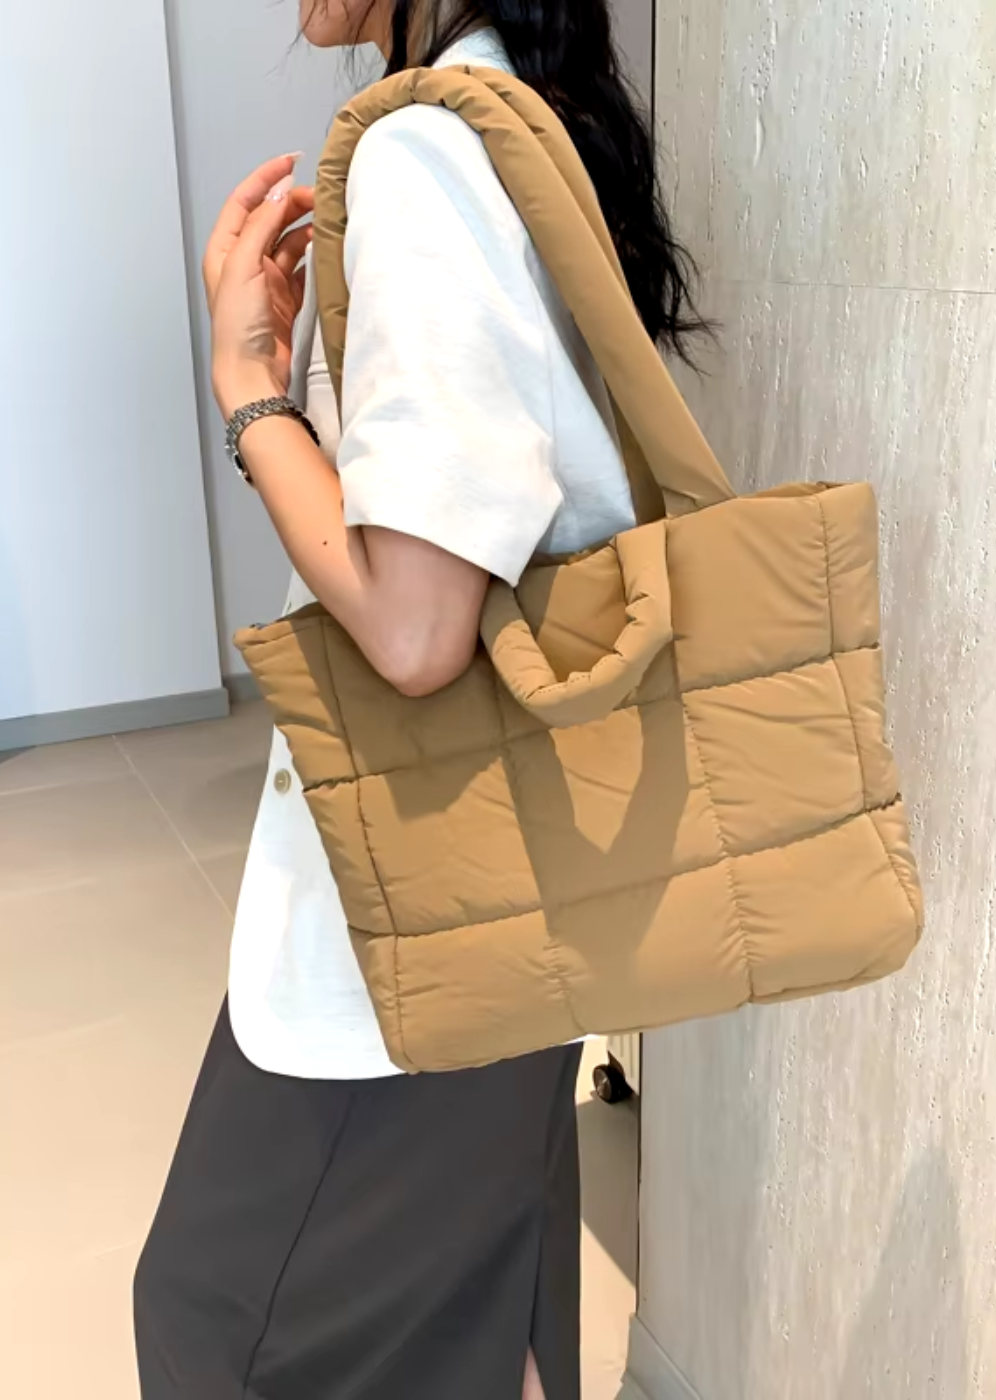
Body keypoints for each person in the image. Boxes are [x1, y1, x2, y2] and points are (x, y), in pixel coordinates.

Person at [133, 3, 708, 1397]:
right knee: (475, 1330)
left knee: (217, 1322)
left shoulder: (423, 154)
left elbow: (415, 624)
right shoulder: (522, 117)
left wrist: (249, 388)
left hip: (419, 914)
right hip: (526, 887)